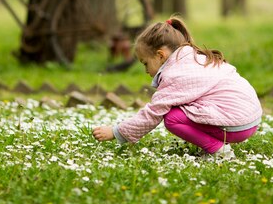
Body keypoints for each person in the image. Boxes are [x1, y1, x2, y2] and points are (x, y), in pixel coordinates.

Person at [92, 16, 262, 159]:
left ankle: (219, 150)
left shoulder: (175, 74)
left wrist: (116, 132)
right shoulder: (192, 58)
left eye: (145, 63)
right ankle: (215, 145)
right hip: (251, 120)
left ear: (160, 55)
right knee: (181, 108)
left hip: (236, 126)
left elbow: (153, 112)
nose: (146, 71)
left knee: (173, 118)